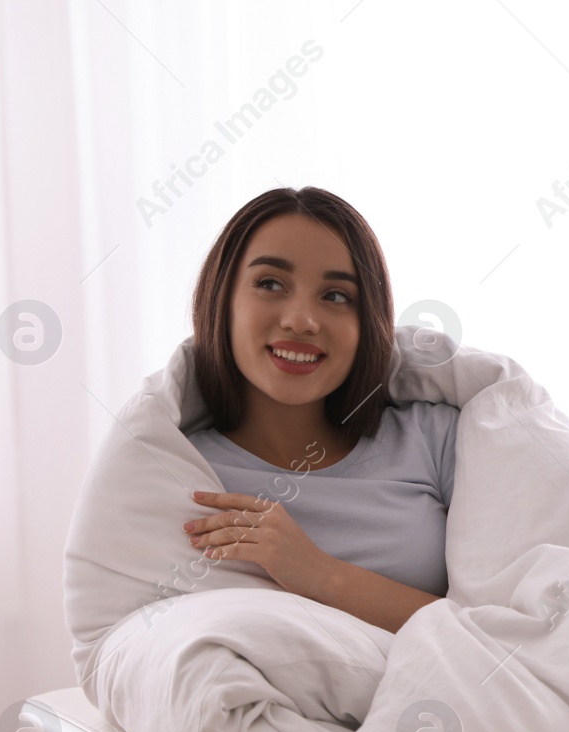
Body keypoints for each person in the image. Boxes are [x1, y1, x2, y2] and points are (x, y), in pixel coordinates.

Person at [180, 187, 457, 634]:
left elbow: (497, 632)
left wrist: (317, 573)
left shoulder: (435, 438)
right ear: (222, 299)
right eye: (270, 284)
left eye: (335, 296)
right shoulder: (183, 469)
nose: (301, 320)